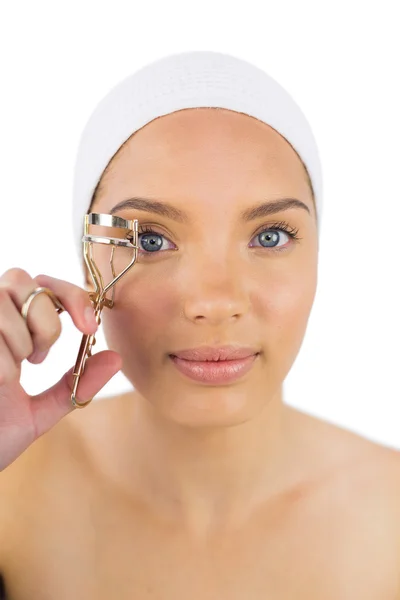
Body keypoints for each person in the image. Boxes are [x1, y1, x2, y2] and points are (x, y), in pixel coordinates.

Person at [0, 50, 399, 599]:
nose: (215, 302)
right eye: (150, 240)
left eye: (271, 236)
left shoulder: (391, 522)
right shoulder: (8, 486)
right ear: (86, 259)